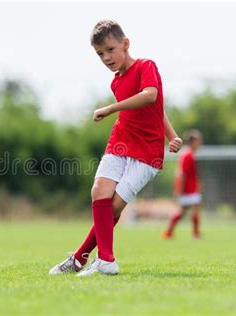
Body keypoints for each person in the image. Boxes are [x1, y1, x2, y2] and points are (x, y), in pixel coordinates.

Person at [49, 20, 182, 277]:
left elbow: (152, 98)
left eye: (110, 49)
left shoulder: (146, 66)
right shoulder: (116, 83)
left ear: (125, 44)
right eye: (100, 54)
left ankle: (79, 258)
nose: (106, 57)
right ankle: (106, 260)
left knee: (114, 207)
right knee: (99, 190)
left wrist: (171, 136)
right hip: (120, 142)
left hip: (147, 151)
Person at [163, 130, 203, 240]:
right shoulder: (188, 155)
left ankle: (169, 232)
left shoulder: (189, 154)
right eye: (198, 140)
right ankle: (195, 234)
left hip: (191, 189)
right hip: (188, 190)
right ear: (193, 142)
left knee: (183, 212)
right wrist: (179, 190)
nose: (200, 143)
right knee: (192, 210)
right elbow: (182, 174)